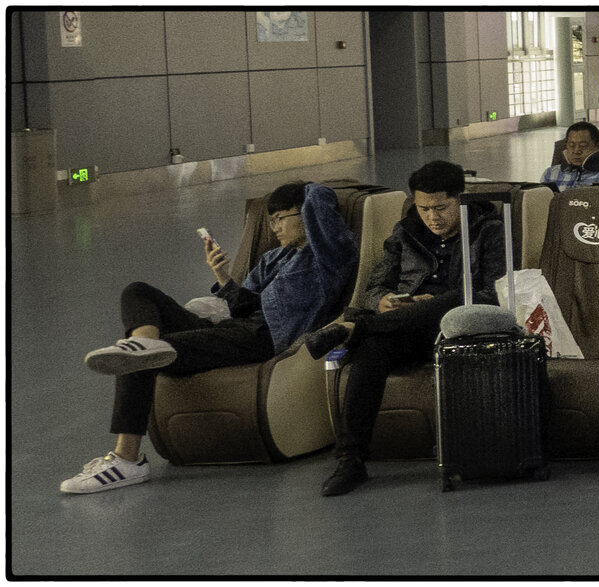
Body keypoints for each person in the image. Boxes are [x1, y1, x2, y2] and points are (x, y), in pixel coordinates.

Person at [65, 181, 355, 495]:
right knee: (136, 291)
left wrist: (305, 189)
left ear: (307, 216)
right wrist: (224, 278)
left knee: (141, 358)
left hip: (262, 340)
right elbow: (246, 305)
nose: (274, 228)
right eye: (271, 220)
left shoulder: (329, 258)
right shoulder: (273, 259)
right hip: (233, 328)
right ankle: (144, 342)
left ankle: (126, 458)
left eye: (281, 218)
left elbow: (318, 200)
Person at [304, 161, 506, 496]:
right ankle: (351, 458)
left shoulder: (487, 228)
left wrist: (430, 303)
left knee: (448, 301)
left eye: (441, 208)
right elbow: (374, 286)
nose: (432, 217)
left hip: (458, 325)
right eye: (424, 208)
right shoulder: (405, 232)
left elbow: (494, 291)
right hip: (403, 328)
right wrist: (383, 299)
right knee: (371, 353)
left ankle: (355, 328)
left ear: (460, 199)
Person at [542, 122, 599, 191]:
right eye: (571, 145)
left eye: (583, 145)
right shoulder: (550, 173)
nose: (576, 151)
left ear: (598, 146)